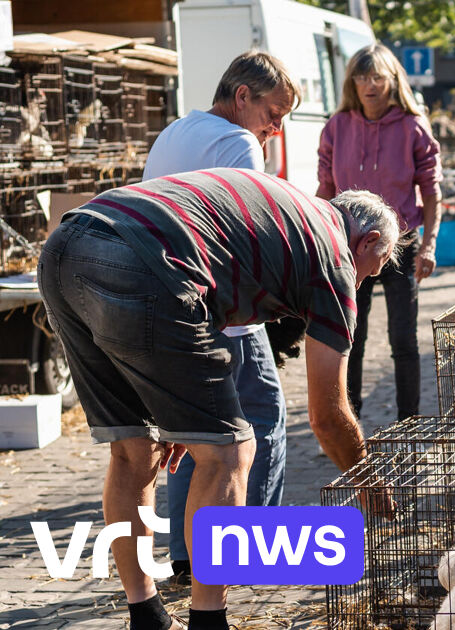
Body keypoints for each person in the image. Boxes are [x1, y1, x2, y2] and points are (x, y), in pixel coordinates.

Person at [37, 170, 399, 630]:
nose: (367, 282)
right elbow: (327, 416)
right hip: (144, 260)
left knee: (133, 448)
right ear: (367, 242)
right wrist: (366, 477)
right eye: (378, 269)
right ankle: (210, 620)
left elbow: (209, 310)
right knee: (229, 452)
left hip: (67, 244)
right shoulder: (335, 257)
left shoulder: (290, 212)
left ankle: (145, 615)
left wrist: (180, 411)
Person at [142, 50, 299, 588]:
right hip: (221, 305)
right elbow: (242, 231)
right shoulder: (238, 143)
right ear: (242, 97)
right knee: (262, 419)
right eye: (274, 113)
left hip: (169, 298)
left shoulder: (177, 130)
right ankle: (245, 553)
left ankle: (188, 556)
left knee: (198, 430)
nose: (276, 128)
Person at [317, 43, 442, 421]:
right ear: (351, 82)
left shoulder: (412, 126)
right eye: (361, 76)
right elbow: (324, 189)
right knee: (350, 338)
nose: (369, 84)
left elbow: (432, 191)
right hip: (348, 246)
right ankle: (345, 420)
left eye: (377, 77)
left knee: (403, 340)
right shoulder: (337, 126)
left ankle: (409, 423)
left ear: (392, 81)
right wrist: (316, 243)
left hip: (401, 244)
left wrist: (429, 246)